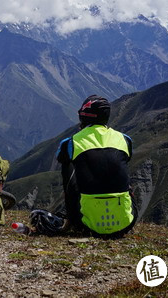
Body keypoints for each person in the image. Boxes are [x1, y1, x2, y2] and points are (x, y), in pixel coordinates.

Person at [55, 95, 137, 237]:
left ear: (84, 116)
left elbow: (61, 158)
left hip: (86, 224)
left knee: (68, 168)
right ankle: (123, 212)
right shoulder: (124, 139)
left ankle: (70, 220)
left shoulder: (72, 142)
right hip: (126, 223)